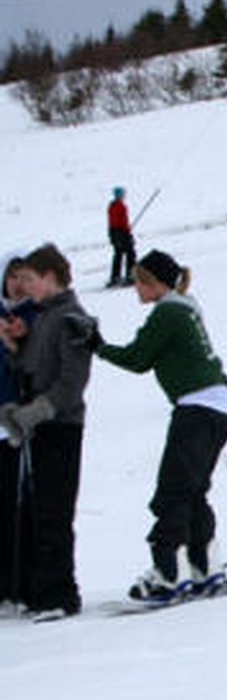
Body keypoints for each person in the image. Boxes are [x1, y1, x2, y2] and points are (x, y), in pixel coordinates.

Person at [94, 250, 227, 602]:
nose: (135, 289)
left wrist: (96, 346)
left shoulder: (168, 312)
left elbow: (138, 359)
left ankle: (168, 574)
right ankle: (206, 567)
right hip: (219, 407)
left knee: (172, 491)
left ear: (155, 283)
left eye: (140, 281)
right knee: (192, 489)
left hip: (196, 409)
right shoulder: (186, 308)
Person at [0, 243, 96, 621]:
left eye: (30, 279)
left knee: (55, 510)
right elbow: (32, 368)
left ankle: (59, 594)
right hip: (42, 428)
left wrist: (36, 411)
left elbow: (72, 382)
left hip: (62, 426)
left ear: (50, 277)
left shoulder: (71, 317)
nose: (26, 287)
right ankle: (41, 592)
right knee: (39, 510)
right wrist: (12, 346)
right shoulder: (46, 317)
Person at [1, 251, 41, 616]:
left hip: (22, 425)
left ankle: (22, 586)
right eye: (11, 276)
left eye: (22, 276)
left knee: (21, 509)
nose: (16, 283)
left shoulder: (34, 317)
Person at [107, 186, 137, 287]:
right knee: (131, 253)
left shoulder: (111, 206)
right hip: (122, 232)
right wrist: (128, 233)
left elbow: (112, 222)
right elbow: (124, 222)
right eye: (123, 194)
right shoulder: (121, 206)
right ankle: (130, 276)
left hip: (113, 232)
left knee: (118, 254)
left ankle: (115, 277)